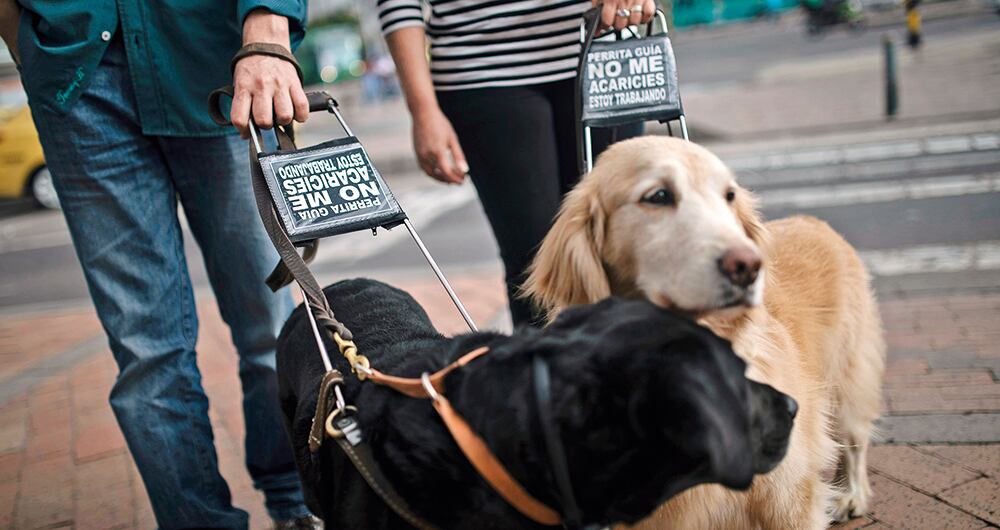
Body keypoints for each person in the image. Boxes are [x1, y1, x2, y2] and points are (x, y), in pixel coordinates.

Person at [0, 1, 320, 528]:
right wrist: (25, 44)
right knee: (148, 352)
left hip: (215, 63)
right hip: (76, 77)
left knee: (270, 326)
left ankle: (295, 504)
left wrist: (268, 22)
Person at [380, 0, 654, 326]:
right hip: (481, 67)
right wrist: (422, 110)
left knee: (626, 246)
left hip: (605, 44)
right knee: (538, 266)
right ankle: (544, 375)